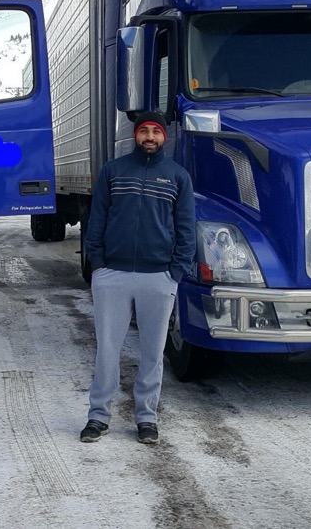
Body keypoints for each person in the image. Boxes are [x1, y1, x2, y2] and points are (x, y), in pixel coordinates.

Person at [79, 111, 196, 445]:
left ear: (164, 137)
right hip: (112, 275)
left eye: (155, 132)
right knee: (107, 350)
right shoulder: (113, 172)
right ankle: (98, 416)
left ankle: (147, 418)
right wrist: (98, 264)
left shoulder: (177, 177)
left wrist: (175, 272)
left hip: (158, 277)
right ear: (135, 135)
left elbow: (187, 229)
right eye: (144, 131)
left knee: (152, 352)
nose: (149, 137)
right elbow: (96, 217)